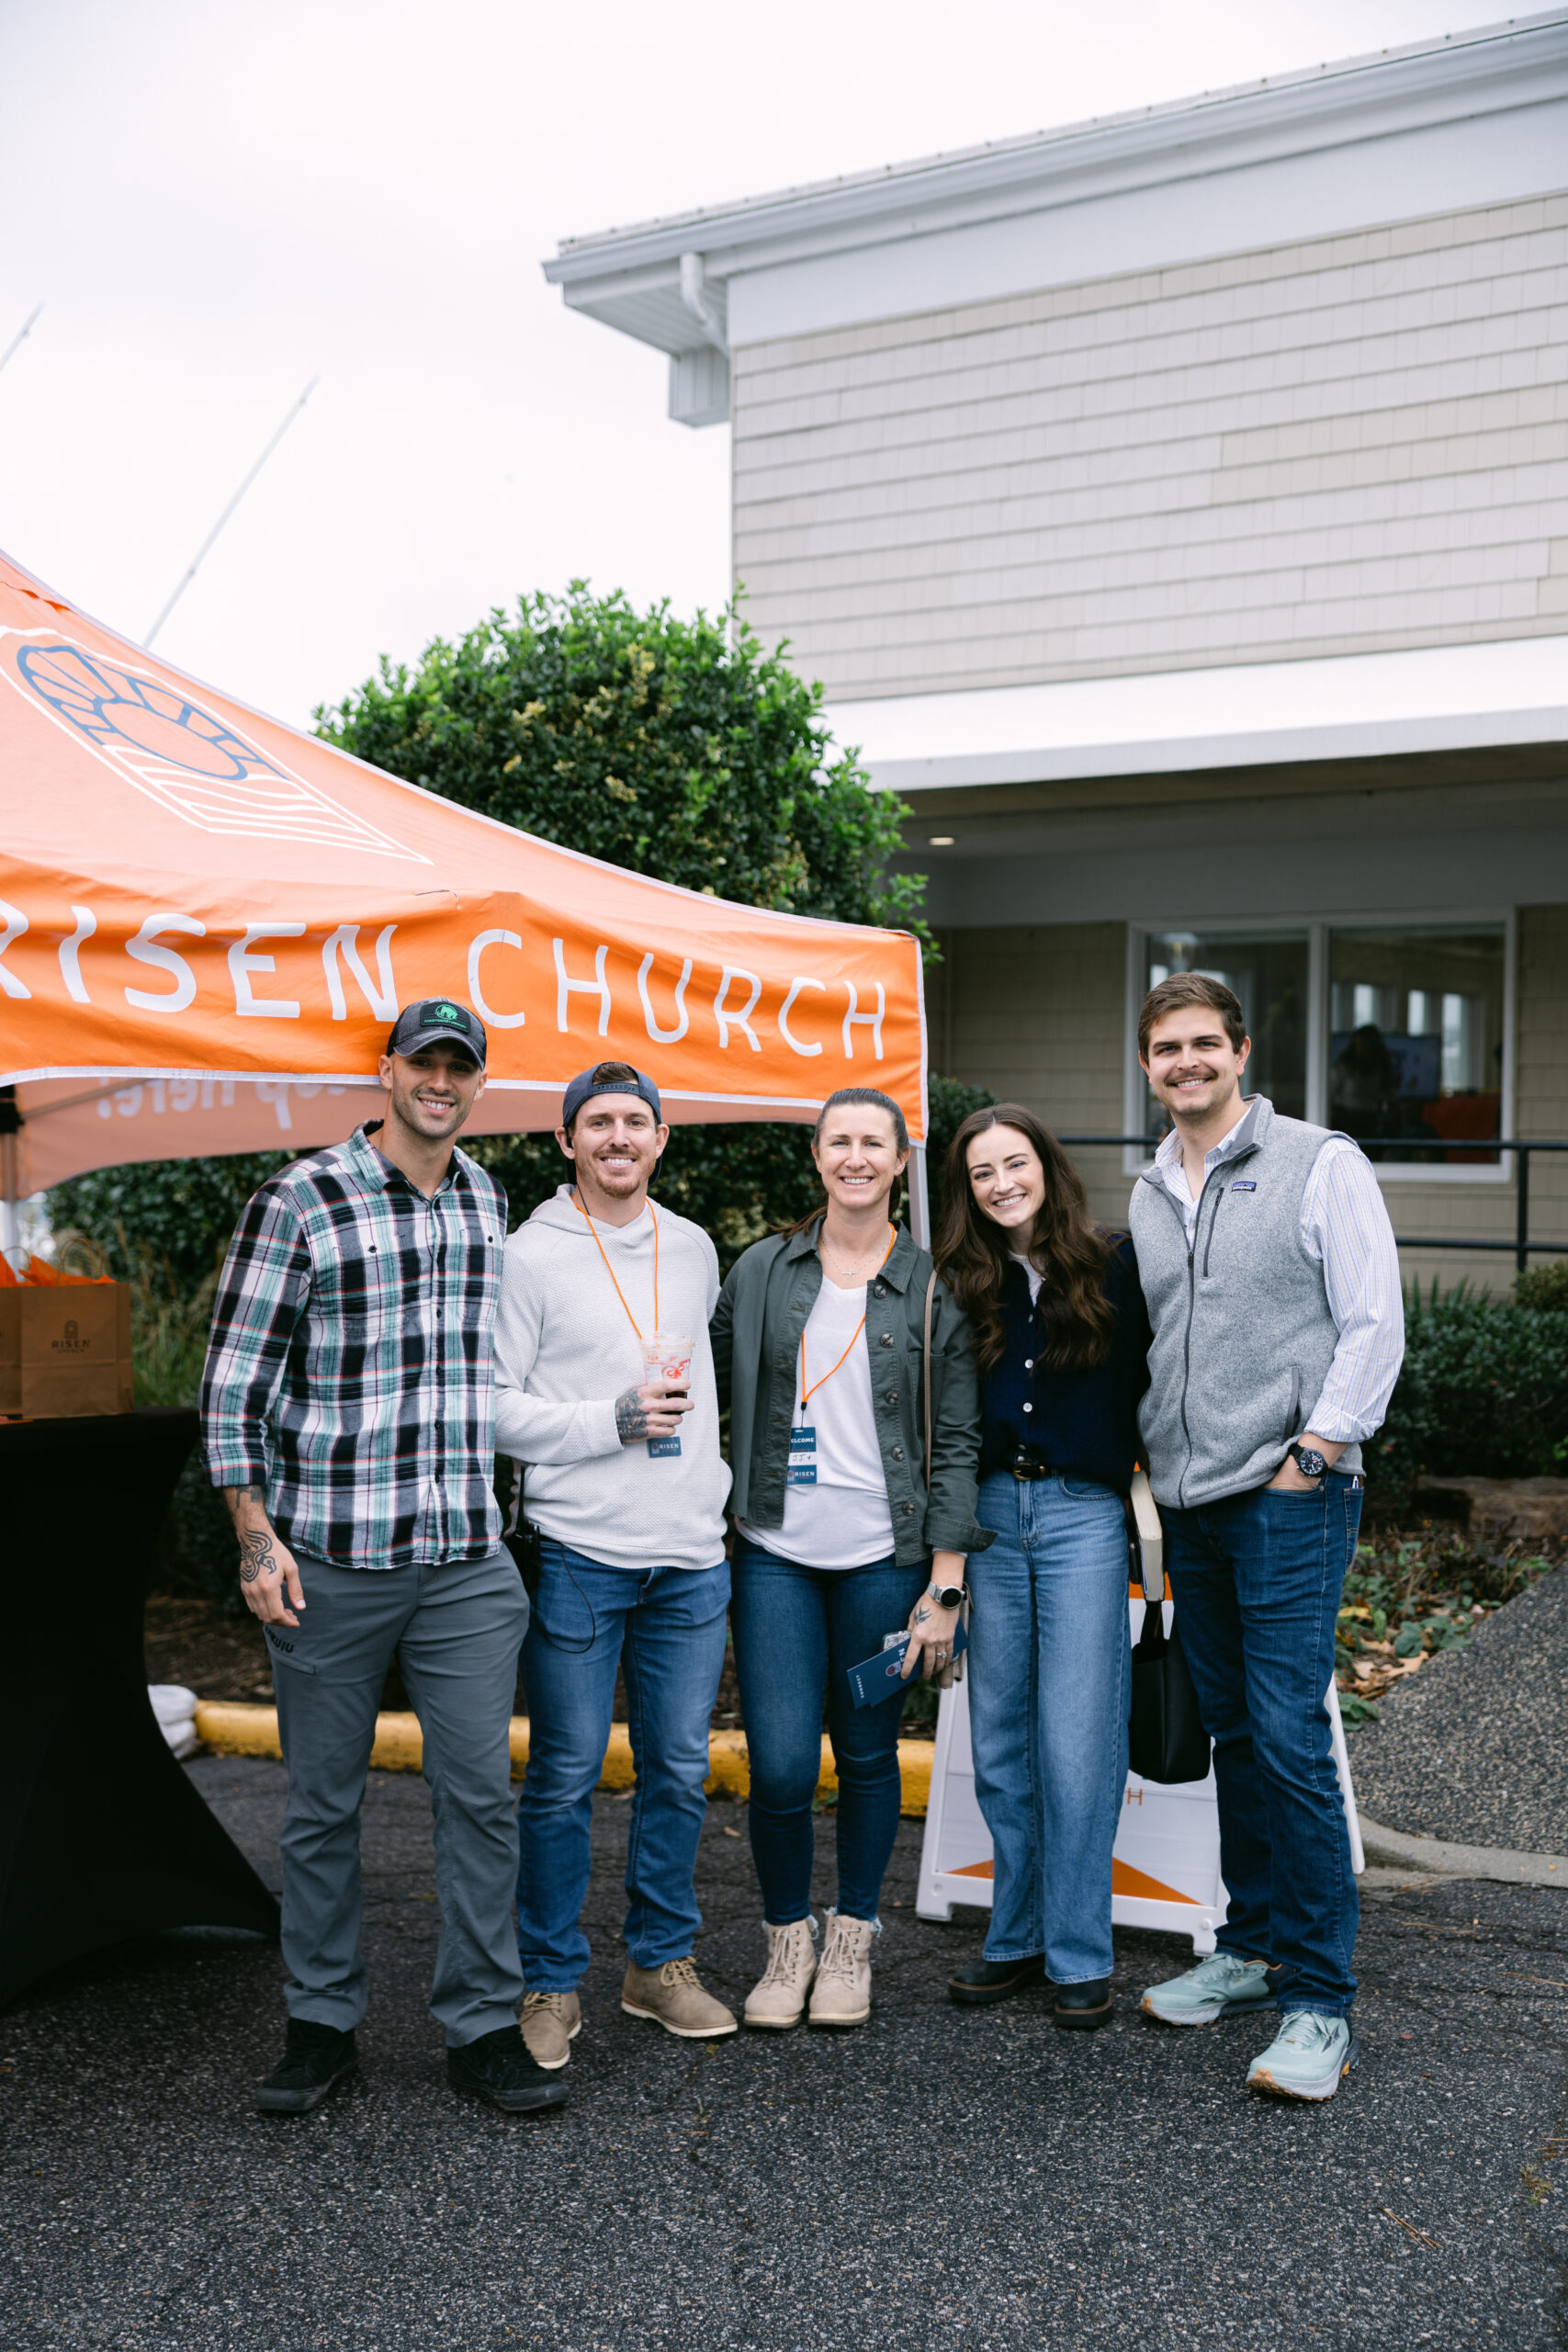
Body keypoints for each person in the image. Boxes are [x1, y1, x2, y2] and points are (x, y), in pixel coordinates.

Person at [201, 999, 566, 2119]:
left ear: (476, 1083)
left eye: (461, 1066)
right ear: (388, 1071)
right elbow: (233, 1392)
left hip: (463, 1560)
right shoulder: (300, 1200)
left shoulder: (486, 1199)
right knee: (319, 1806)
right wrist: (255, 1541)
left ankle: (481, 2026)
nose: (441, 1081)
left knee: (479, 1801)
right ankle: (320, 2023)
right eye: (425, 1063)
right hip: (333, 1560)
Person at [1130, 973, 1404, 2103]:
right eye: (1165, 1049)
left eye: (1204, 1043)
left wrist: (1314, 1453)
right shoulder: (1151, 1188)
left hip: (1289, 1491)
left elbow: (1374, 1320)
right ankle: (1250, 1942)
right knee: (1236, 1730)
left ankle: (1320, 2000)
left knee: (1290, 1735)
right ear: (1147, 1065)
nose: (1186, 1063)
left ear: (1240, 1051)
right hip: (1191, 1501)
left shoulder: (1320, 1161)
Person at [712, 1086, 987, 2030]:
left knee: (868, 1756)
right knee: (783, 1766)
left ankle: (853, 1938)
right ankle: (788, 1939)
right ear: (818, 1156)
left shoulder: (935, 1286)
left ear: (902, 1160)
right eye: (840, 1141)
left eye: (875, 1141)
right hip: (775, 1555)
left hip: (884, 1556)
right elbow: (712, 1378)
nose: (857, 1156)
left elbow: (956, 1441)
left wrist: (945, 1585)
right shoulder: (760, 1269)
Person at [493, 1060, 736, 2069]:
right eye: (599, 1122)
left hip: (689, 1555)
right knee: (562, 1776)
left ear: (662, 1138)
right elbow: (496, 1406)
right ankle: (549, 1980)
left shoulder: (693, 1249)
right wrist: (612, 1420)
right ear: (566, 1141)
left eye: (637, 1121)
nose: (619, 1137)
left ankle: (658, 1964)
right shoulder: (527, 1256)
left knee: (679, 1771)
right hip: (583, 1555)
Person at [933, 1104, 1152, 2030]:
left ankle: (1078, 1951)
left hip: (1081, 1516)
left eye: (1013, 1164)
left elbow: (1152, 1383)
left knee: (1078, 1738)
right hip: (989, 1518)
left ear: (1046, 1167)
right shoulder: (962, 1279)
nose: (1000, 1183)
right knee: (1001, 1737)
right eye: (982, 1172)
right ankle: (1014, 1938)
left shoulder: (1113, 1261)